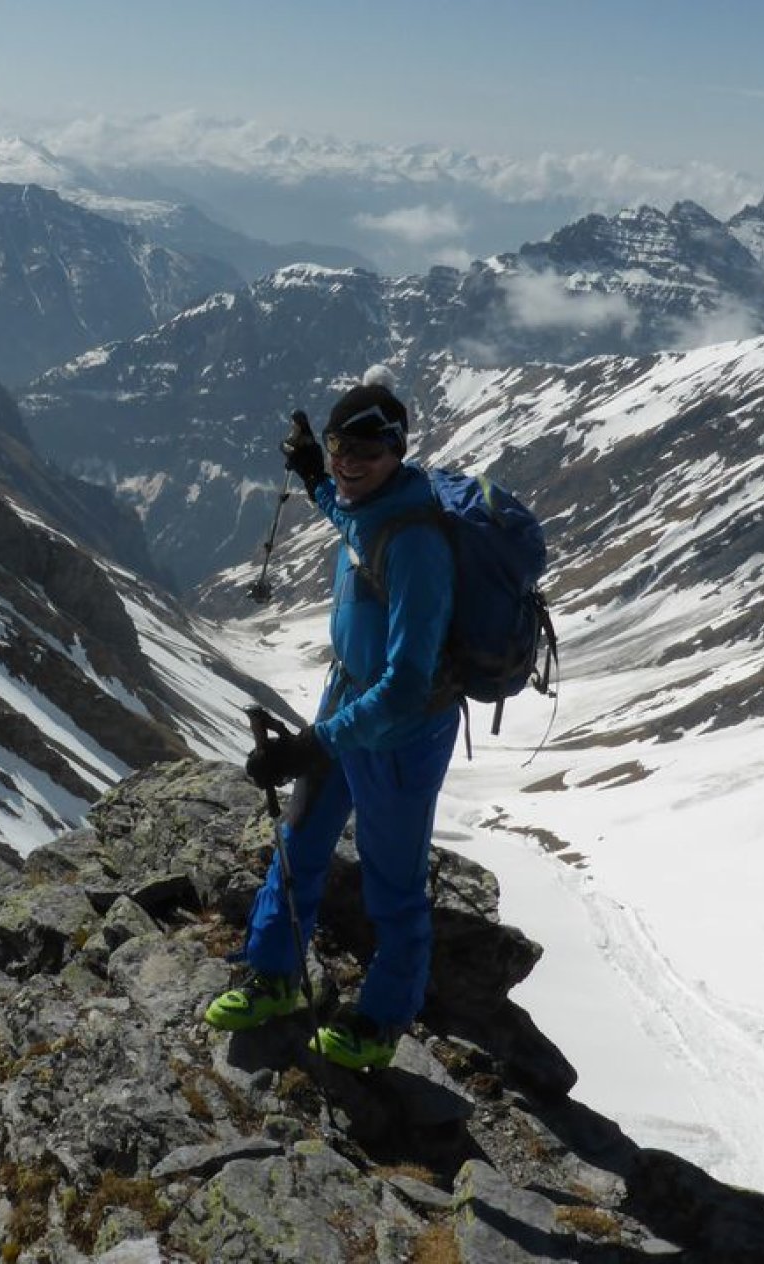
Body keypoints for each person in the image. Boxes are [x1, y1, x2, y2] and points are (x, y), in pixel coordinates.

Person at [206, 374, 459, 1070]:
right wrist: (316, 475)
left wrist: (315, 743)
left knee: (393, 880)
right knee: (299, 839)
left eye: (366, 452)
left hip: (402, 735)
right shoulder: (370, 508)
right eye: (341, 445)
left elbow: (406, 688)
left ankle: (380, 1021)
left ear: (397, 451)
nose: (350, 463)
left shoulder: (415, 543)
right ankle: (272, 975)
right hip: (346, 705)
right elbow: (347, 517)